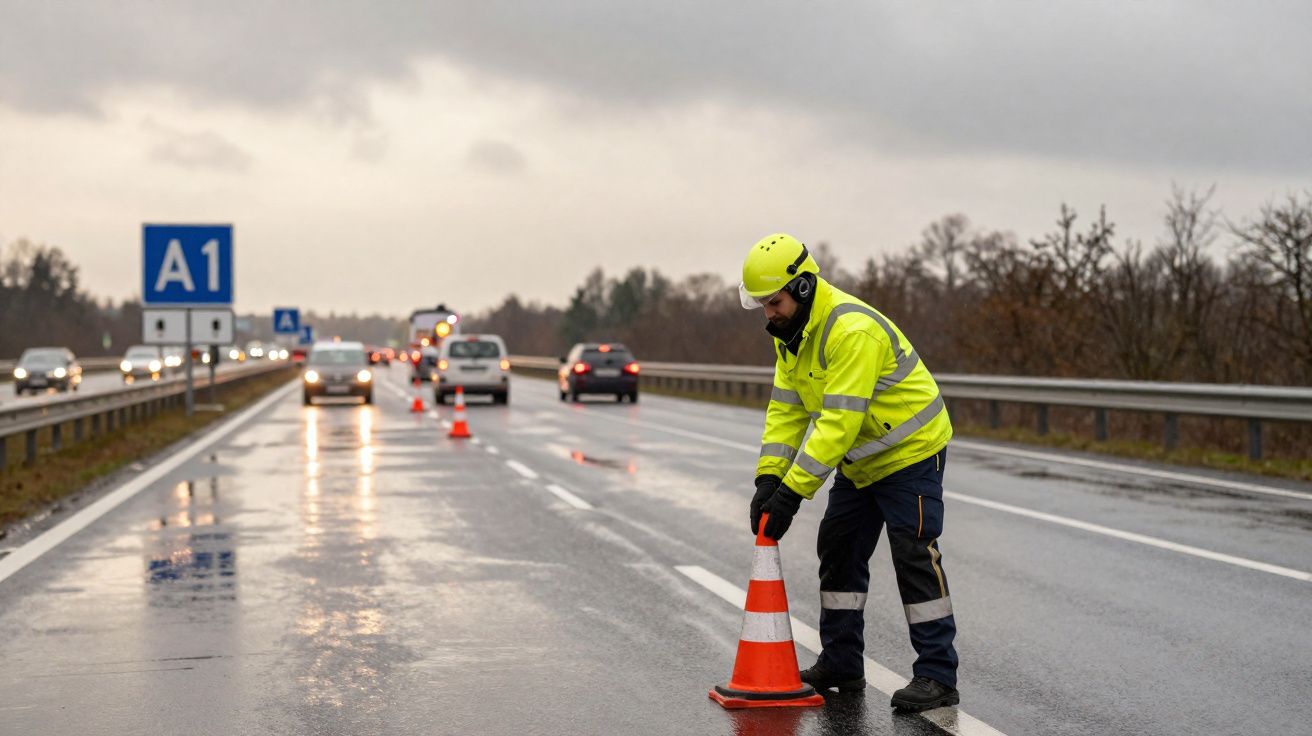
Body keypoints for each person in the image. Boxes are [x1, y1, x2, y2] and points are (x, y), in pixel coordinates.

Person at [740, 233, 959, 712]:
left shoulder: (850, 331)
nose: (767, 313)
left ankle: (938, 677)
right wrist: (769, 478)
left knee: (914, 556)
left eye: (772, 302)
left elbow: (838, 423)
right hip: (862, 463)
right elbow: (787, 412)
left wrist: (792, 494)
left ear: (800, 289)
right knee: (838, 549)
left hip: (910, 455)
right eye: (761, 304)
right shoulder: (793, 337)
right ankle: (842, 664)